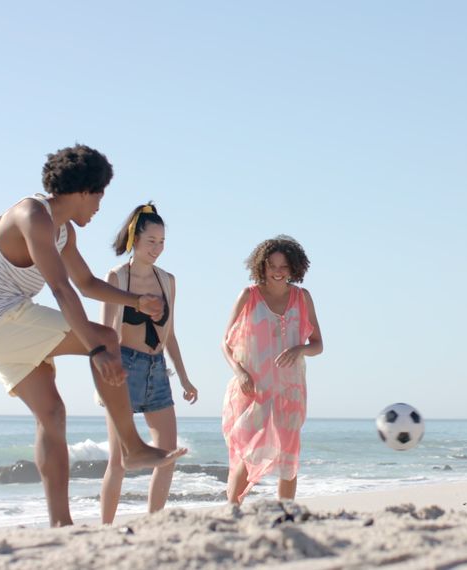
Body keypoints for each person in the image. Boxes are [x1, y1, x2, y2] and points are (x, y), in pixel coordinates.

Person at [0, 145, 186, 527]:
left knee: (52, 415)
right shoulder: (33, 216)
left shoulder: (62, 231)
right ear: (83, 190)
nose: (99, 206)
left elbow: (86, 283)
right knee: (106, 338)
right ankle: (131, 447)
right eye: (98, 195)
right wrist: (96, 346)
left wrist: (137, 300)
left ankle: (61, 525)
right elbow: (62, 289)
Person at [98, 203, 199, 523]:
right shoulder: (117, 277)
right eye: (151, 241)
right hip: (123, 369)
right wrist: (105, 381)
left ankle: (153, 524)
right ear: (134, 239)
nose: (157, 248)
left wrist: (183, 378)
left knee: (167, 456)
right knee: (119, 460)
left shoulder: (168, 280)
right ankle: (105, 529)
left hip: (157, 371)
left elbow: (169, 333)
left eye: (162, 242)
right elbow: (106, 335)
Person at [221, 235, 323, 505]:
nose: (278, 272)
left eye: (284, 267)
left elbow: (318, 345)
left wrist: (299, 349)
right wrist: (240, 373)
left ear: (294, 268)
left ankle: (285, 512)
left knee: (289, 452)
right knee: (248, 449)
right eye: (272, 266)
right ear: (262, 267)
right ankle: (232, 510)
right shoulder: (249, 296)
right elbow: (225, 344)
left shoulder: (302, 298)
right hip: (254, 388)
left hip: (290, 389)